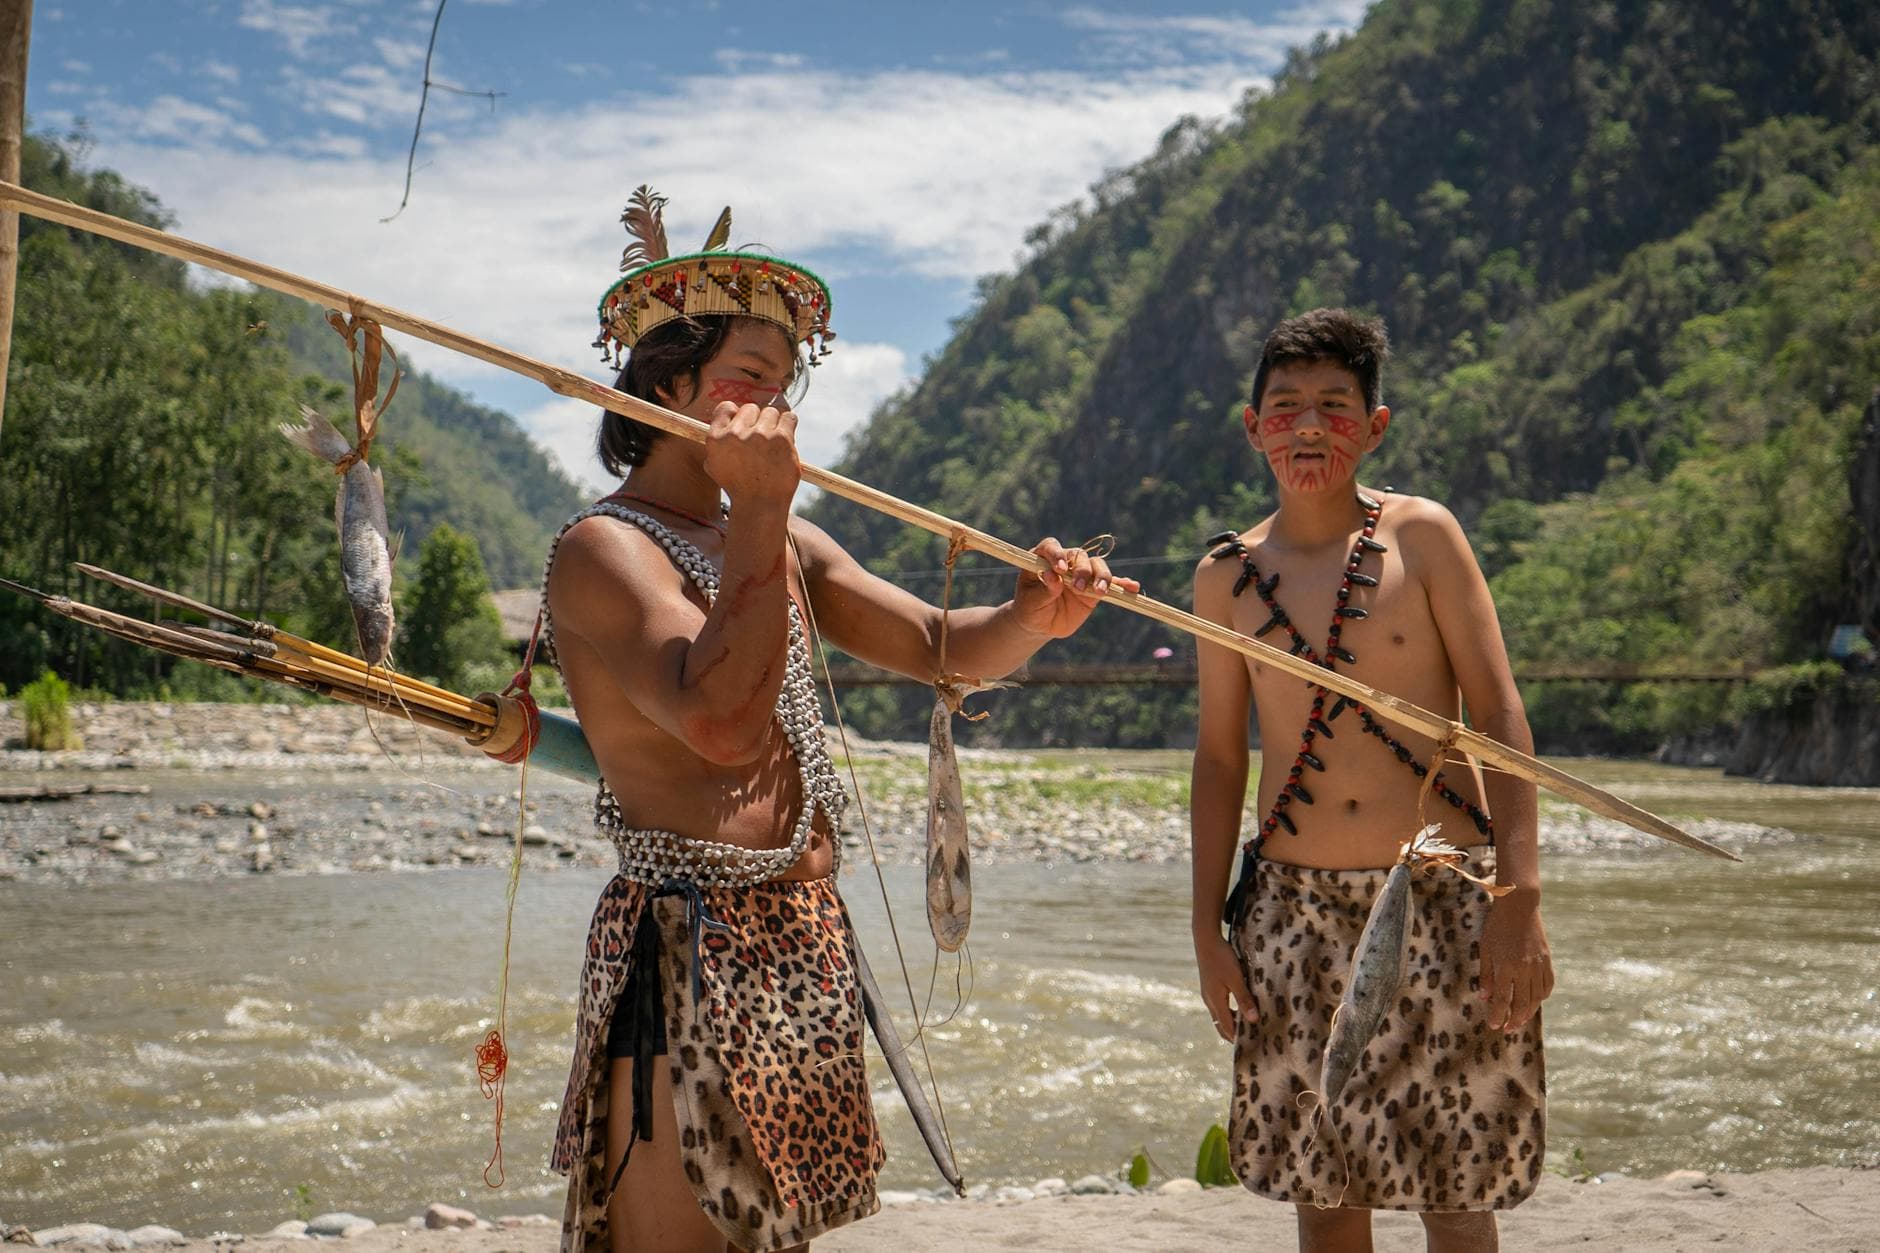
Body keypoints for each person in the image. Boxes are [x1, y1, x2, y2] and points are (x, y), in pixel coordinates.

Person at [539, 187, 1134, 1253]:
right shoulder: (606, 549)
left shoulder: (780, 541)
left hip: (798, 934)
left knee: (779, 1240)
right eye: (746, 380)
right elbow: (717, 723)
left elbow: (943, 645)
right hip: (690, 938)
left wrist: (1039, 615)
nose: (777, 409)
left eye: (783, 384)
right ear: (671, 385)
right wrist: (762, 508)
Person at [1188, 309, 1552, 1253]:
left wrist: (1519, 901)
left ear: (1375, 426)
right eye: (1287, 407)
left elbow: (1501, 717)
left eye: (1334, 407)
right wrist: (1204, 929)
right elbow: (1222, 759)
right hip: (1293, 912)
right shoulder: (1226, 579)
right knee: (1327, 1183)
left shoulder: (1423, 538)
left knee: (1458, 1178)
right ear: (1252, 425)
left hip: (1443, 896)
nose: (1309, 428)